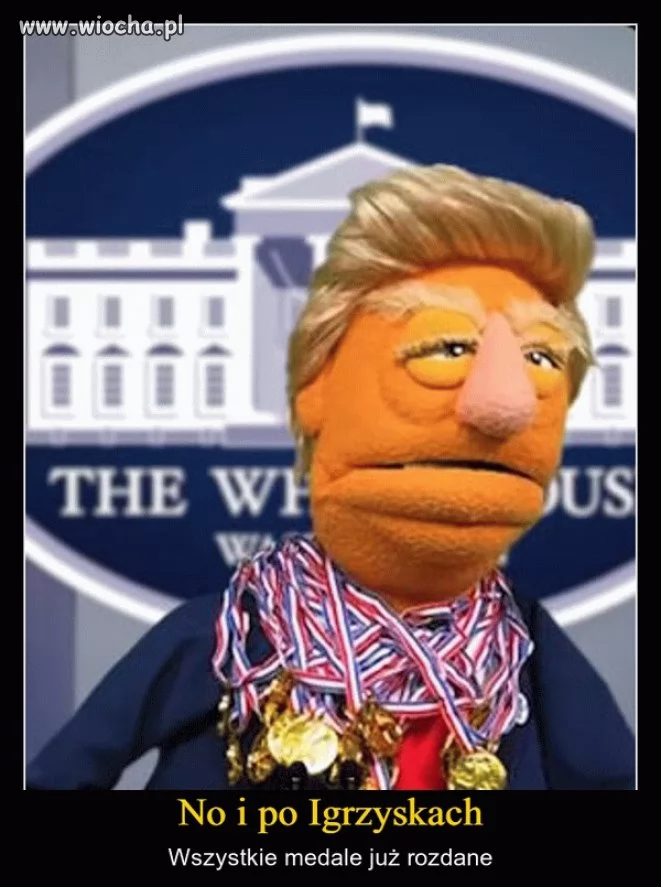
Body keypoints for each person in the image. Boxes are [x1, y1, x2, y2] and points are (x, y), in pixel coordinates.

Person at [27, 164, 635, 790]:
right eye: (447, 348)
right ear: (317, 394)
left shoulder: (522, 646)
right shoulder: (236, 633)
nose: (503, 403)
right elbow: (64, 775)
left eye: (541, 358)